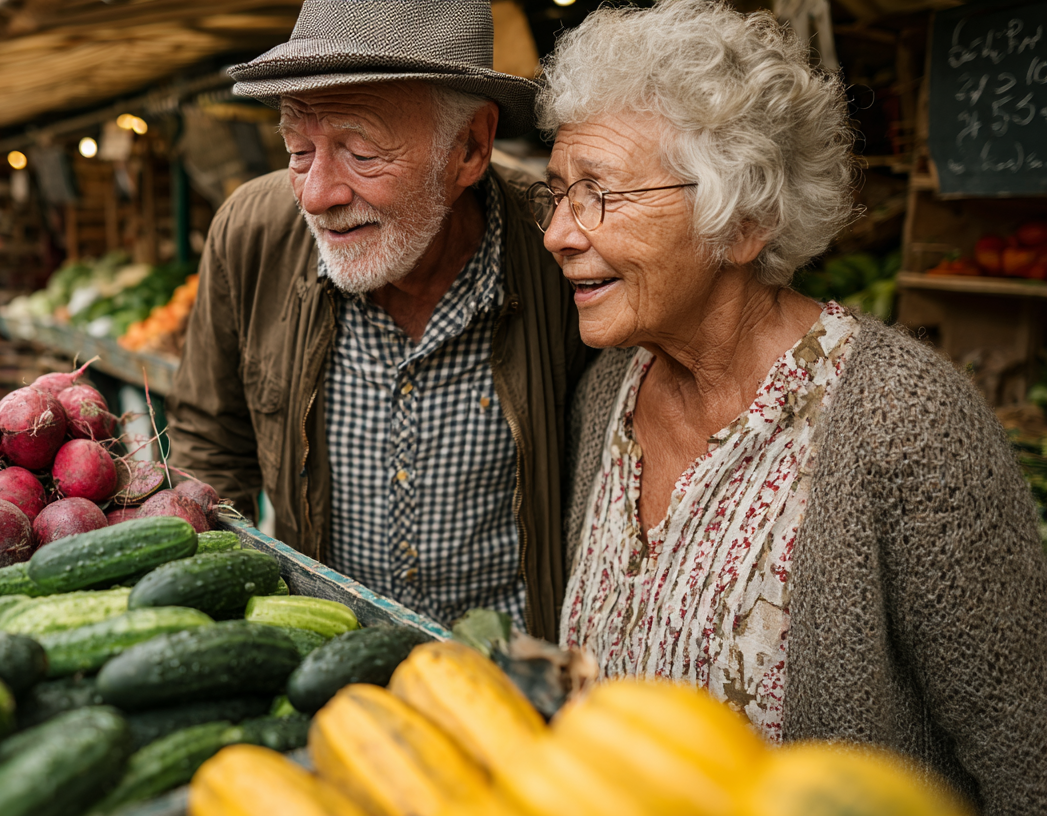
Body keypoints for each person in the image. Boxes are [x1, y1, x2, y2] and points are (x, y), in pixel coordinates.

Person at [537, 0, 1047, 810]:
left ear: (742, 222)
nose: (558, 233)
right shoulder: (609, 391)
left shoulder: (904, 423)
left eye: (600, 194)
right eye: (557, 192)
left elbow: (1029, 758)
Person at [166, 0, 588, 639]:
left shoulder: (563, 252)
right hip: (329, 668)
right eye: (299, 149)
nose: (316, 195)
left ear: (470, 147)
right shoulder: (252, 235)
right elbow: (209, 444)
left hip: (510, 687)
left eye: (360, 153)